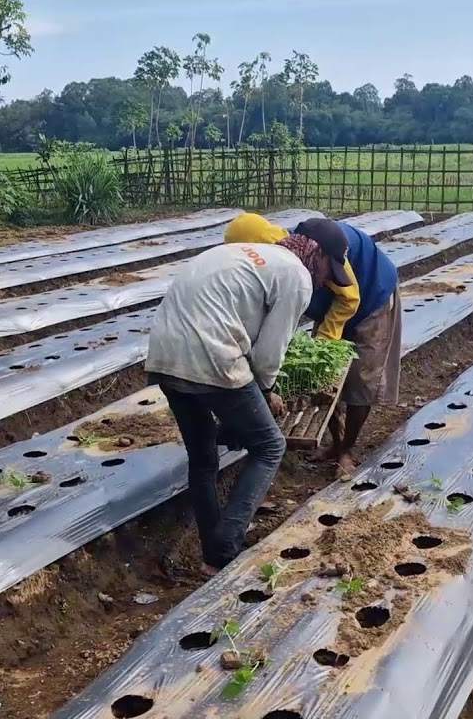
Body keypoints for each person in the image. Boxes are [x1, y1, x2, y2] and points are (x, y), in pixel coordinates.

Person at [146, 224, 354, 573]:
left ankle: (213, 553)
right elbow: (269, 351)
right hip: (213, 357)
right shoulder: (296, 276)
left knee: (203, 457)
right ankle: (226, 548)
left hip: (165, 356)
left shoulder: (239, 253)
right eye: (326, 271)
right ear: (315, 254)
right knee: (270, 445)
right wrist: (267, 390)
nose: (324, 281)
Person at [224, 213, 403, 479]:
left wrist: (326, 342)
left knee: (362, 375)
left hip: (371, 295)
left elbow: (349, 298)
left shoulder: (315, 247)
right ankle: (335, 440)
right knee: (321, 375)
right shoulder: (269, 261)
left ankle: (346, 450)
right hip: (331, 303)